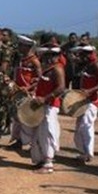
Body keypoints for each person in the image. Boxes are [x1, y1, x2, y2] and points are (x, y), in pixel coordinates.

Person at [28, 45, 66, 174]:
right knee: (38, 134)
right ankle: (41, 160)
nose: (47, 58)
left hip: (50, 106)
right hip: (41, 105)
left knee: (47, 134)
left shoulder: (57, 69)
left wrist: (45, 98)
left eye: (50, 56)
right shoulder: (47, 68)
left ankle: (48, 163)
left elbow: (61, 88)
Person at [69, 45, 98, 164]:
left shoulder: (96, 65)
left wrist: (90, 91)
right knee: (79, 127)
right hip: (81, 100)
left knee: (86, 126)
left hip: (91, 100)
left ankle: (88, 153)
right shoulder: (84, 65)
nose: (80, 56)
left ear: (90, 54)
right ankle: (82, 152)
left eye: (83, 54)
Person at [8, 35, 41, 150]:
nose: (19, 47)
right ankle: (19, 141)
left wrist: (29, 88)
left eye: (21, 45)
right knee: (18, 118)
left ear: (27, 47)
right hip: (18, 93)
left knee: (27, 118)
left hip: (28, 94)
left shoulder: (34, 61)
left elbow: (40, 80)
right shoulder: (20, 59)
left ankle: (31, 142)